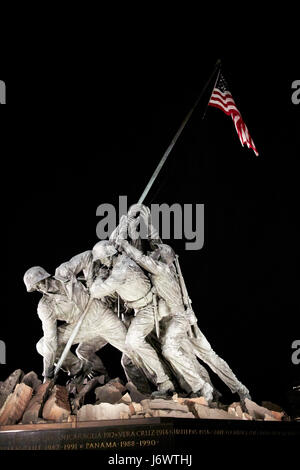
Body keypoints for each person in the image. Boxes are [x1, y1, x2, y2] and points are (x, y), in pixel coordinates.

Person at [116, 205, 251, 403]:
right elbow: (157, 244)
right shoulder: (167, 262)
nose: (153, 250)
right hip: (182, 316)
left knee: (197, 354)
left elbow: (141, 257)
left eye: (156, 252)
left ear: (162, 259)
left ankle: (214, 388)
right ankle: (237, 389)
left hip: (179, 319)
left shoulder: (160, 270)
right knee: (208, 356)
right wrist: (147, 222)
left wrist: (124, 243)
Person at [23, 265, 145, 386]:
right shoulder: (45, 307)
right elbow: (50, 339)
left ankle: (150, 387)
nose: (39, 288)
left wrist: (92, 279)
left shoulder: (67, 277)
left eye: (39, 283)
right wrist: (48, 374)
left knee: (134, 354)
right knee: (44, 346)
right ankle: (86, 372)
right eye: (35, 288)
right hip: (83, 327)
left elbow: (87, 258)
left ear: (45, 277)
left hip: (104, 318)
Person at [89, 240, 175, 395]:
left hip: (148, 308)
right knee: (127, 360)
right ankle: (144, 394)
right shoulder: (119, 264)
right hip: (137, 311)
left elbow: (96, 292)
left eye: (102, 259)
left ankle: (165, 383)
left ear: (109, 256)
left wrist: (100, 278)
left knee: (133, 341)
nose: (101, 263)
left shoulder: (122, 269)